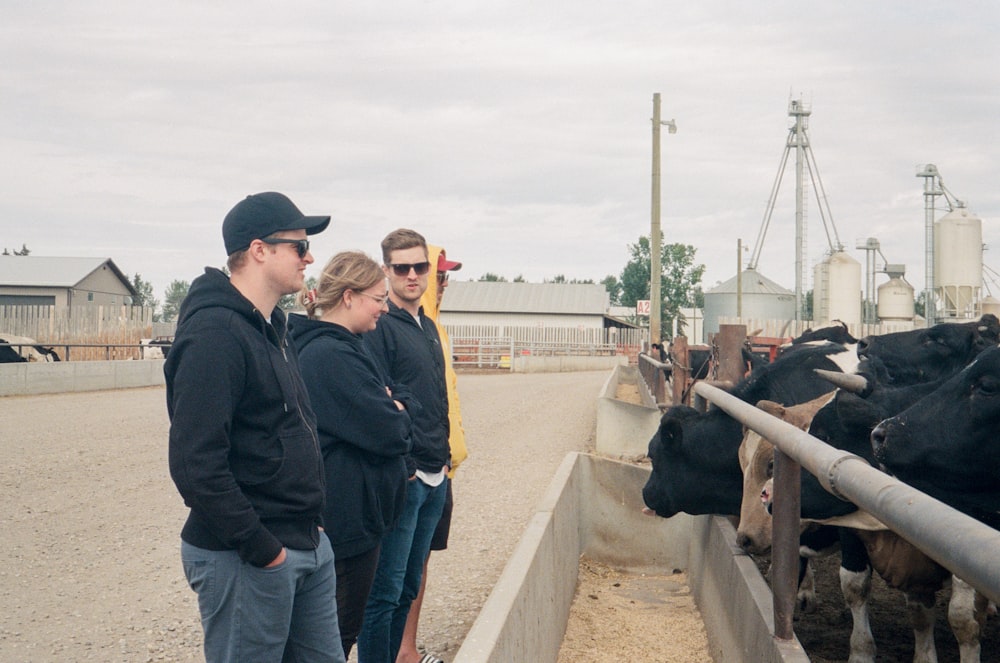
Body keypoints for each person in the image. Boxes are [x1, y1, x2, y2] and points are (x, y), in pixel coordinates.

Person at [164, 191, 346, 663]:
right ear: (259, 249)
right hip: (247, 557)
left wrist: (313, 527)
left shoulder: (273, 327)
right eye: (298, 246)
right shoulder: (215, 334)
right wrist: (262, 548)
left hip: (305, 541)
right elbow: (195, 463)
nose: (309, 257)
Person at [288, 251, 414, 659]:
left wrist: (392, 406)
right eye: (377, 298)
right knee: (335, 638)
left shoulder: (345, 347)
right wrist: (393, 409)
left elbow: (389, 412)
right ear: (348, 297)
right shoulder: (330, 356)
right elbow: (391, 430)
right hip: (346, 523)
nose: (383, 307)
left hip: (356, 517)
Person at [357, 229, 451, 663]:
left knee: (410, 586)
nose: (412, 275)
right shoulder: (380, 327)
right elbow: (379, 400)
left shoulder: (428, 326)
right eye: (402, 267)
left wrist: (444, 460)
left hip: (437, 473)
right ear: (386, 271)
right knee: (386, 592)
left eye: (419, 266)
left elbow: (437, 396)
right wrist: (407, 465)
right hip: (407, 476)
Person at [396, 247, 467, 663]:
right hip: (416, 467)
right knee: (400, 564)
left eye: (438, 275)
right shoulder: (398, 328)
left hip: (441, 464)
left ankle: (407, 647)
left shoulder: (433, 329)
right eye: (434, 274)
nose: (440, 284)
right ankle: (400, 650)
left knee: (419, 561)